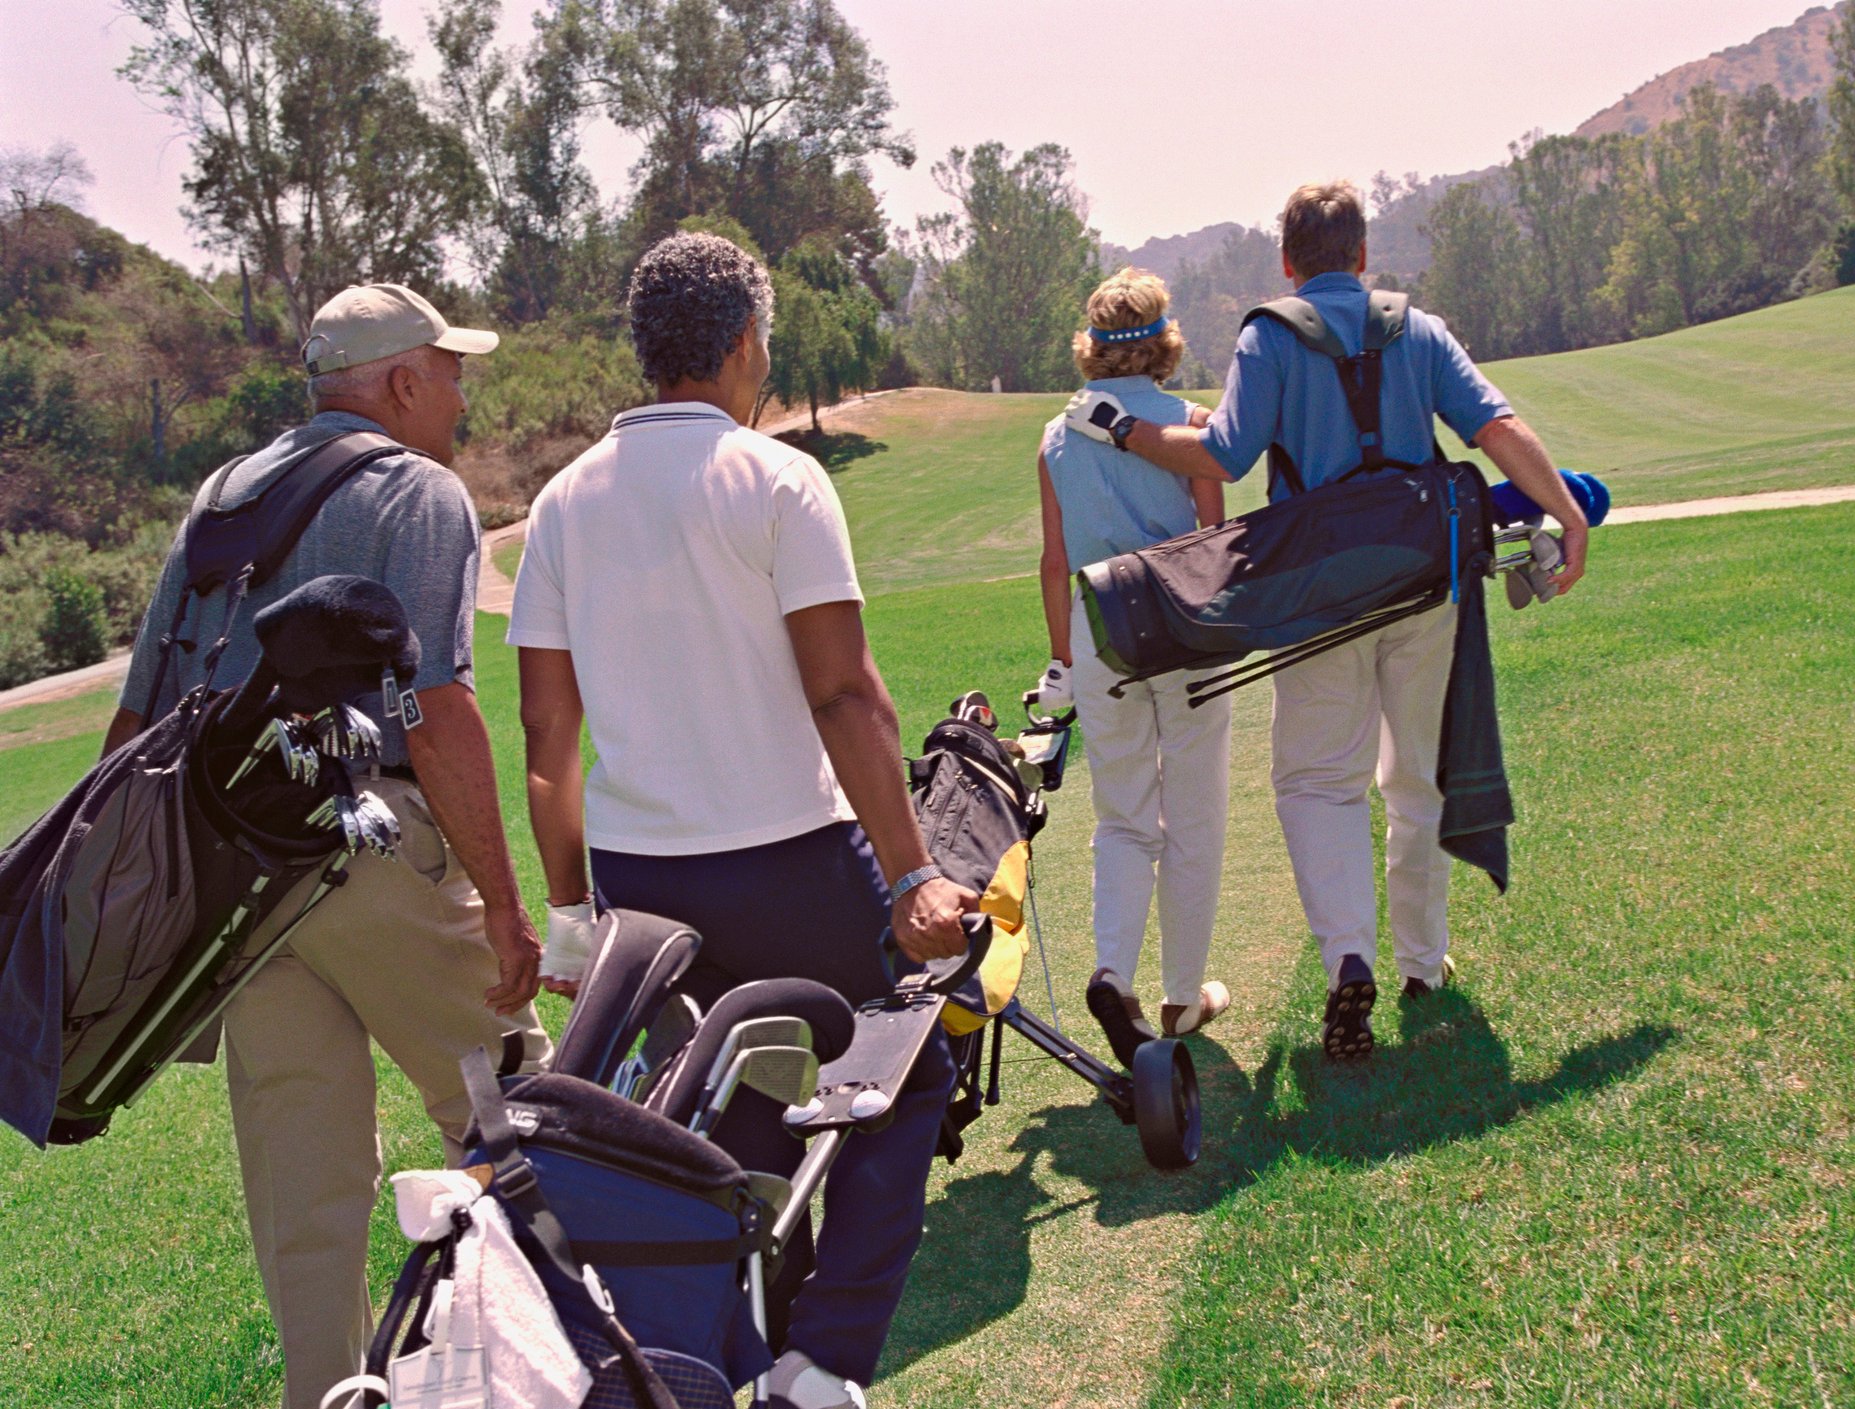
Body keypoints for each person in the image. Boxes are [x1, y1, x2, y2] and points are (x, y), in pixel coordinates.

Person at [509, 231, 981, 1409]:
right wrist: (914, 868)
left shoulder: (561, 502)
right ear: (738, 344)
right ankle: (819, 1365)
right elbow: (843, 691)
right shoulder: (776, 478)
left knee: (727, 1105)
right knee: (902, 1081)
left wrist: (572, 912)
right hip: (788, 861)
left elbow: (548, 737)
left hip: (635, 878)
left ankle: (727, 1353)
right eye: (764, 340)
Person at [103, 283, 551, 1409]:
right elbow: (436, 711)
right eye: (450, 369)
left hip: (229, 880)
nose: (460, 390)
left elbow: (136, 716)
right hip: (365, 841)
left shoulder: (222, 491)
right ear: (401, 381)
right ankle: (596, 1354)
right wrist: (501, 900)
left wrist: (143, 898)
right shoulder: (418, 490)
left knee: (307, 1198)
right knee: (524, 1114)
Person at [1078, 180, 1590, 1061]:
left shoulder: (1267, 335)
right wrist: (1570, 516)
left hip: (1317, 600)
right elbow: (1497, 430)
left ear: (1287, 261)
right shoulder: (1418, 328)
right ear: (1362, 254)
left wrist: (1123, 431)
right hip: (1428, 584)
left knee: (1318, 782)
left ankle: (1349, 955)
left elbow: (1224, 455)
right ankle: (1424, 963)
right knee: (1414, 776)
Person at [1030, 268, 1233, 1066]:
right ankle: (1182, 996)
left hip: (1096, 628)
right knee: (1195, 812)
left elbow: (1053, 561)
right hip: (1182, 624)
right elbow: (1212, 540)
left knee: (1121, 816)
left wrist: (1061, 660)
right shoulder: (1189, 423)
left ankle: (1115, 970)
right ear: (1163, 343)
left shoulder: (1054, 438)